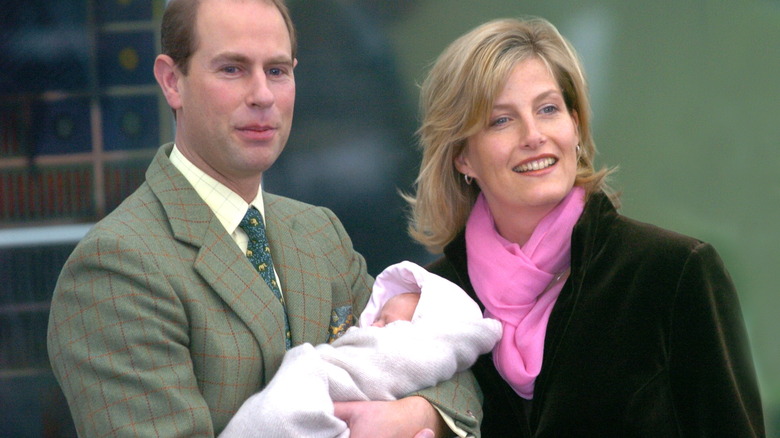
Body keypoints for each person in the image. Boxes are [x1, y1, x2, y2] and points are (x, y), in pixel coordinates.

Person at [46, 1, 481, 437]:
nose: (263, 95)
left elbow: (446, 365)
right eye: (232, 69)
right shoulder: (114, 267)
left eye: (276, 71)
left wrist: (417, 417)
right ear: (171, 81)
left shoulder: (319, 231)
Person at [405, 17, 766, 437]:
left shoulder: (672, 272)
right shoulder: (432, 300)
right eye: (501, 120)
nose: (533, 135)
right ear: (461, 157)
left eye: (548, 109)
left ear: (575, 125)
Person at [221, 261, 502, 437]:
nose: (372, 328)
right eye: (376, 318)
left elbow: (457, 374)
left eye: (387, 322)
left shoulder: (325, 234)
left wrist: (417, 415)